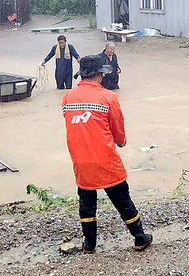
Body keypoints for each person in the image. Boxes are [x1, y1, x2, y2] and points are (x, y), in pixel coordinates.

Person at [62, 55, 152, 253]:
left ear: (82, 75)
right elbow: (118, 131)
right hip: (105, 160)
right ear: (99, 74)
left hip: (80, 161)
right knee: (122, 200)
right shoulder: (108, 97)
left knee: (86, 204)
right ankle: (140, 237)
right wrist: (121, 142)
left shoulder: (67, 98)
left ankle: (89, 245)